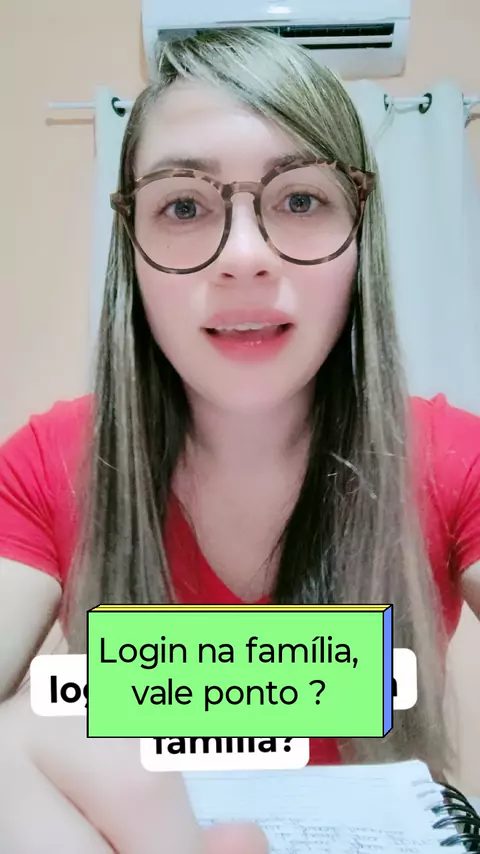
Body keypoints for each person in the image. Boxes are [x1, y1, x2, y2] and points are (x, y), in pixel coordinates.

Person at [0, 25, 479, 852]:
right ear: (130, 248)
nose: (246, 257)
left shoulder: (456, 460)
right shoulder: (50, 465)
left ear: (359, 237)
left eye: (301, 200)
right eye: (184, 206)